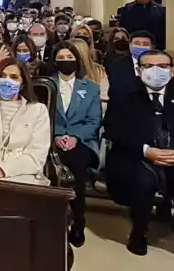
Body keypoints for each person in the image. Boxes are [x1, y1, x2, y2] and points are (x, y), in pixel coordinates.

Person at [104, 49, 174, 264]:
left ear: (172, 71)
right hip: (139, 154)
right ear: (139, 70)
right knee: (142, 181)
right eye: (148, 66)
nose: (156, 71)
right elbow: (113, 129)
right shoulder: (123, 95)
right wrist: (146, 150)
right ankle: (139, 233)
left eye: (162, 66)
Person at [50, 42, 102, 247]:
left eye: (69, 58)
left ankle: (78, 221)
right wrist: (56, 135)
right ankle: (53, 221)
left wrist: (75, 137)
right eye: (61, 58)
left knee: (77, 169)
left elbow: (94, 120)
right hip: (51, 140)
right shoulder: (46, 84)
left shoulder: (91, 88)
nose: (66, 62)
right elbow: (40, 115)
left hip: (82, 141)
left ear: (77, 61)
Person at [107, 30, 154, 101]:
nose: (141, 46)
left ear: (152, 47)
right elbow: (114, 93)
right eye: (137, 43)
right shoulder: (116, 65)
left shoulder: (160, 64)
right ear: (130, 45)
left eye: (145, 44)